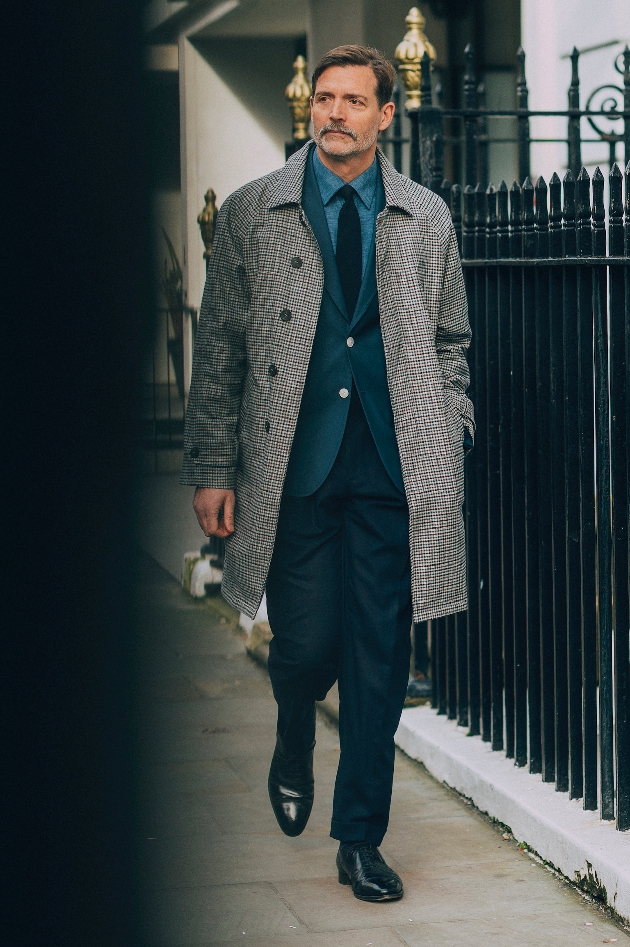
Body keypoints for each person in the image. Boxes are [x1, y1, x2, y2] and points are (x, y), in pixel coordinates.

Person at [182, 44, 474, 903]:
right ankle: (291, 728)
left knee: (380, 663)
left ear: (388, 115)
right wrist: (211, 464)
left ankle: (359, 839)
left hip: (392, 464)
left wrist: (449, 422)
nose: (334, 112)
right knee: (305, 646)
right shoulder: (252, 211)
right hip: (292, 462)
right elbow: (222, 345)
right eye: (324, 98)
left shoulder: (427, 216)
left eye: (354, 100)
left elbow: (452, 341)